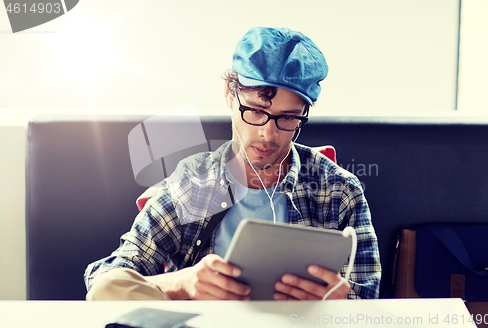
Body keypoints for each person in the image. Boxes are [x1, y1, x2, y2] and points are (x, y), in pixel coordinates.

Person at [84, 26, 381, 301]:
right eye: (255, 110)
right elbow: (103, 282)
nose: (268, 133)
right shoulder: (189, 185)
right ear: (229, 95)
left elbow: (368, 301)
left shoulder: (339, 190)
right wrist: (181, 283)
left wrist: (339, 303)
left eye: (288, 117)